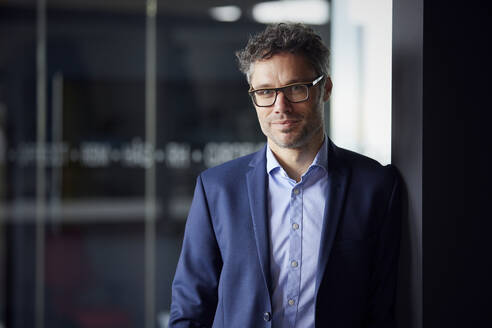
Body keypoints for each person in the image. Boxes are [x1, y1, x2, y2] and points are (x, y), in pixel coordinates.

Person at [169, 22, 402, 328]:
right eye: (266, 91)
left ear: (325, 89)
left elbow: (383, 308)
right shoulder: (217, 189)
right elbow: (190, 307)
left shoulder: (376, 187)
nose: (281, 107)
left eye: (296, 89)